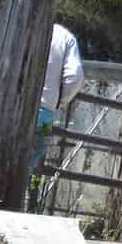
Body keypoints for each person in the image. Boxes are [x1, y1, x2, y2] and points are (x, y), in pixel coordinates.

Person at [31, 23, 85, 177]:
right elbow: (74, 76)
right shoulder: (65, 37)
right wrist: (60, 100)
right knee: (36, 150)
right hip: (45, 113)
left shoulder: (24, 23)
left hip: (12, 106)